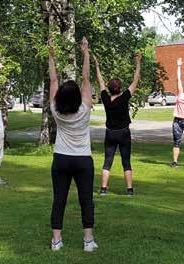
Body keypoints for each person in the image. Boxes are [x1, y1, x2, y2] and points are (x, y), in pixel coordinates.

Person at [49, 37, 97, 252]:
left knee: (59, 199)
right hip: (82, 160)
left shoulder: (55, 111)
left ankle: (57, 242)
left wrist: (51, 56)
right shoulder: (85, 109)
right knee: (86, 199)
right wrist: (85, 52)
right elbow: (86, 78)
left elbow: (53, 81)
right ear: (78, 97)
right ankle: (88, 241)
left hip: (61, 158)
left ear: (60, 98)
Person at [94, 53, 142, 196]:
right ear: (120, 88)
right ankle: (129, 190)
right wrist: (138, 62)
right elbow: (136, 80)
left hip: (110, 134)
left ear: (109, 88)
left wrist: (96, 64)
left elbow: (100, 81)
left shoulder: (105, 99)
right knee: (126, 162)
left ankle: (103, 189)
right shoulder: (125, 97)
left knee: (107, 161)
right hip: (124, 133)